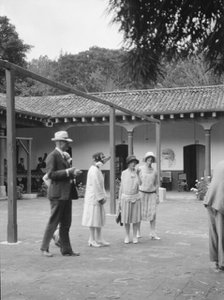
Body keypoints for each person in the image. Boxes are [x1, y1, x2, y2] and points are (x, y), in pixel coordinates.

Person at [40, 130, 81, 257]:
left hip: (65, 194)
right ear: (60, 142)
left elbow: (62, 173)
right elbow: (50, 174)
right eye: (66, 142)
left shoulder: (63, 156)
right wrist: (69, 172)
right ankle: (44, 248)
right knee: (53, 222)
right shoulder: (52, 156)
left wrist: (72, 173)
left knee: (66, 223)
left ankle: (66, 249)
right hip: (58, 195)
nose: (68, 145)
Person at [82, 152, 110, 247]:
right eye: (101, 159)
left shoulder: (97, 169)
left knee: (98, 219)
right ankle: (91, 239)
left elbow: (100, 185)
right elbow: (96, 185)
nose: (102, 161)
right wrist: (101, 198)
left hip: (97, 198)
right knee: (93, 219)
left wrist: (103, 196)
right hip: (93, 199)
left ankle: (99, 238)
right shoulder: (93, 170)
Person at [203, 161, 224, 271]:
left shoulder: (219, 164)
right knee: (221, 233)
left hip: (211, 199)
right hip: (220, 202)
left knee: (215, 232)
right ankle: (221, 263)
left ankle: (217, 260)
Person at [118, 155, 142, 244]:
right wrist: (120, 200)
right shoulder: (124, 173)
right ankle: (127, 236)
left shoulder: (137, 173)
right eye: (132, 162)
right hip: (126, 198)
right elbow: (122, 186)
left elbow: (140, 183)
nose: (133, 164)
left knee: (135, 219)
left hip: (135, 197)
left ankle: (135, 236)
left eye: (135, 162)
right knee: (126, 219)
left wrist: (138, 174)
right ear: (128, 164)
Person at [137, 152, 160, 240]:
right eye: (148, 159)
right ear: (145, 159)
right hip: (141, 193)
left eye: (151, 159)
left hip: (152, 194)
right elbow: (137, 181)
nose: (150, 160)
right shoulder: (140, 169)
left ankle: (152, 232)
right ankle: (138, 232)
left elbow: (156, 184)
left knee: (153, 213)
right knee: (139, 213)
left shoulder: (155, 171)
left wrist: (157, 195)